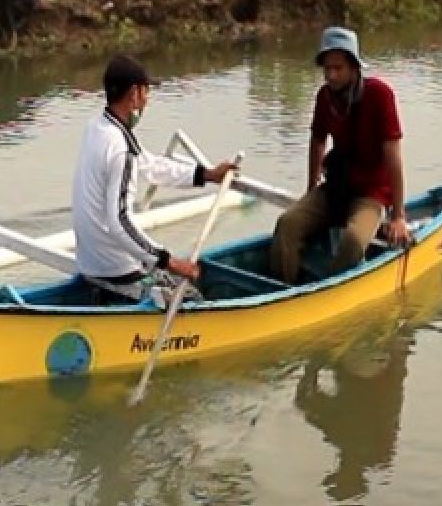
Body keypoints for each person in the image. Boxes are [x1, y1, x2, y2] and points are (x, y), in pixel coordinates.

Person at [72, 54, 235, 302]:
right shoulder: (120, 148)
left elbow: (151, 166)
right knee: (194, 297)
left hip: (89, 261)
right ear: (135, 94)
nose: (147, 101)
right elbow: (120, 224)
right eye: (146, 93)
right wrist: (170, 262)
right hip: (116, 269)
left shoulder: (96, 129)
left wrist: (207, 175)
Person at [269, 26, 410, 284]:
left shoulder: (380, 95)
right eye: (327, 69)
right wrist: (311, 187)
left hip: (371, 193)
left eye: (338, 68)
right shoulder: (324, 97)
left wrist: (398, 216)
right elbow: (317, 139)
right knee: (287, 224)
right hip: (336, 186)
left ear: (354, 68)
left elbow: (393, 158)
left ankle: (328, 288)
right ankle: (284, 287)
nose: (331, 76)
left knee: (354, 240)